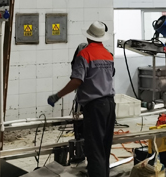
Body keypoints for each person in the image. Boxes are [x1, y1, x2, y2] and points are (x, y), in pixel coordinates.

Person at [48, 22, 116, 177]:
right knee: (104, 148)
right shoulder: (108, 55)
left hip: (94, 107)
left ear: (88, 36)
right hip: (110, 105)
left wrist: (58, 95)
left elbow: (77, 81)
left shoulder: (84, 54)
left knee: (94, 149)